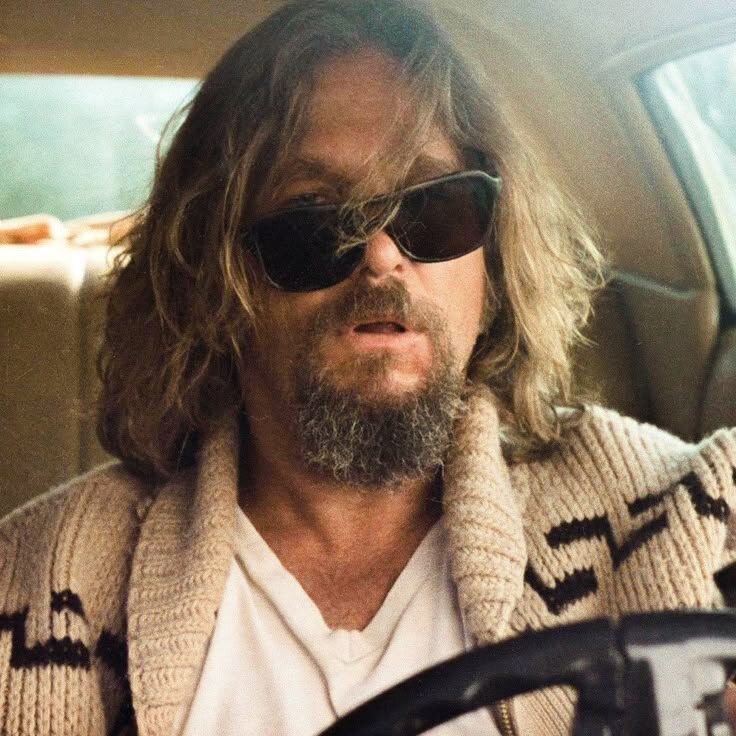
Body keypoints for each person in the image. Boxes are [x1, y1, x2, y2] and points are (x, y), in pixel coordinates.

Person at [1, 1, 735, 734]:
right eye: (316, 219)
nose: (383, 256)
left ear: (494, 261)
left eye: (437, 209)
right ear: (214, 276)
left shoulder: (678, 514)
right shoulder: (39, 592)